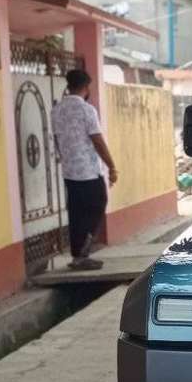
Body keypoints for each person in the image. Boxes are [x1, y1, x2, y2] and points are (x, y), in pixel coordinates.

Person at [51, 69, 118, 270]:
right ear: (86, 87)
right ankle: (83, 253)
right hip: (88, 171)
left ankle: (77, 255)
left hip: (69, 171)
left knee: (76, 213)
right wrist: (112, 166)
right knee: (98, 204)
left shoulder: (57, 110)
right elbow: (97, 140)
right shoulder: (87, 110)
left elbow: (56, 138)